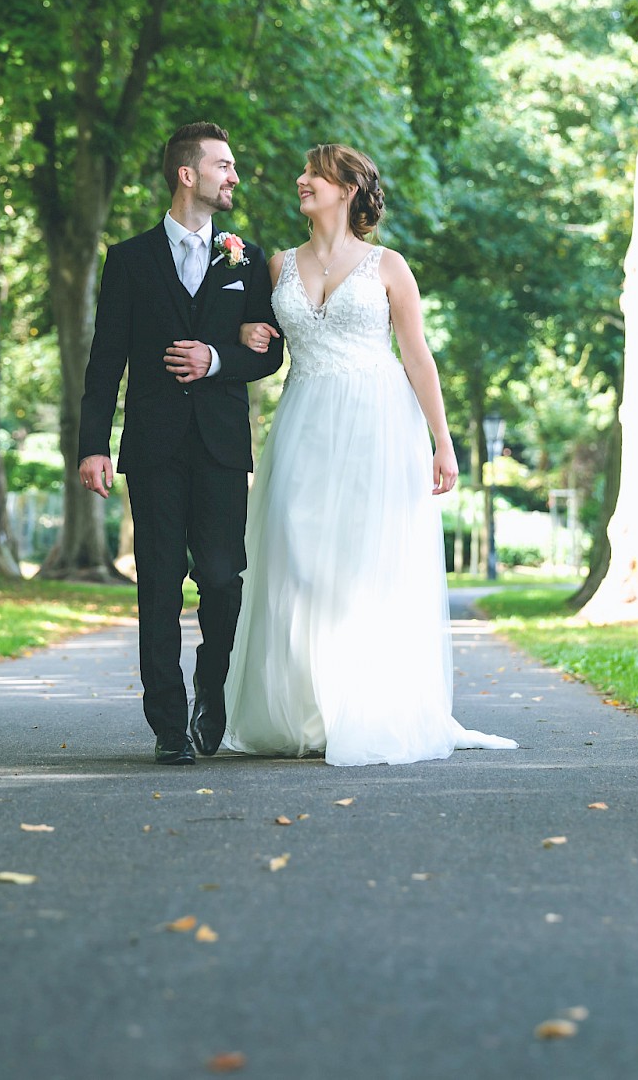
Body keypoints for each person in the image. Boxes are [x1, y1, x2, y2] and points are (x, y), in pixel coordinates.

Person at [223, 144, 518, 766]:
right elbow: (254, 336)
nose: (302, 181)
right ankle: (303, 710)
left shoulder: (388, 266)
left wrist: (443, 441)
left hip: (377, 422)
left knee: (364, 563)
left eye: (316, 174)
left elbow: (417, 356)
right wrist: (242, 334)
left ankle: (363, 710)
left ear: (349, 188)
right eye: (304, 173)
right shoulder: (276, 265)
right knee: (295, 557)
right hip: (304, 418)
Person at [78, 123, 283, 765]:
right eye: (224, 165)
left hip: (222, 448)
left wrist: (218, 357)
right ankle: (167, 722)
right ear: (187, 175)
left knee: (223, 580)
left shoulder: (247, 260)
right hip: (155, 447)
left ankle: (211, 698)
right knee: (159, 587)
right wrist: (93, 445)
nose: (234, 176)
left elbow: (269, 353)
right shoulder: (130, 260)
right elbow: (105, 359)